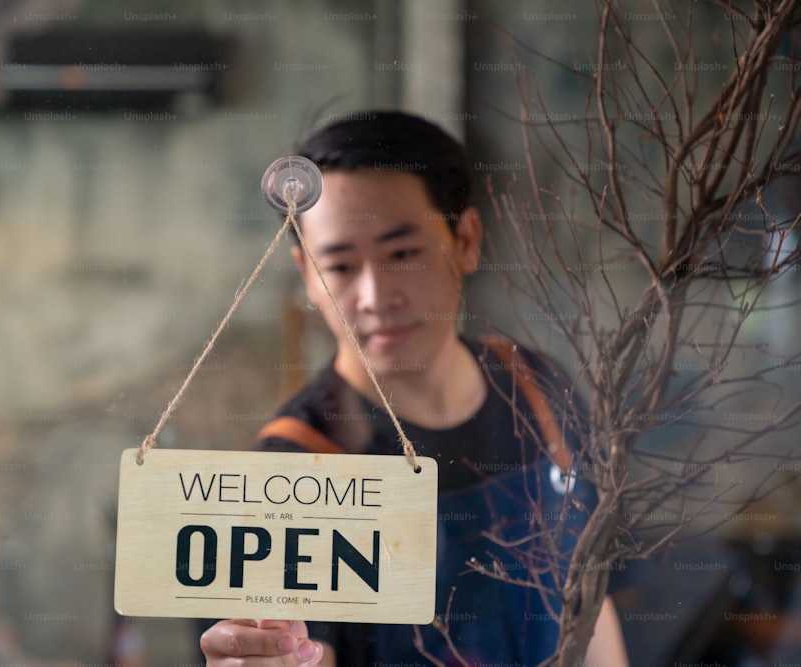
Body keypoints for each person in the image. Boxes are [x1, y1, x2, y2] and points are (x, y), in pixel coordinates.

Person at [200, 111, 628, 666]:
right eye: (341, 265)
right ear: (307, 275)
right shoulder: (288, 473)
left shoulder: (538, 387)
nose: (375, 296)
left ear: (466, 240)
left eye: (402, 253)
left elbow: (591, 604)